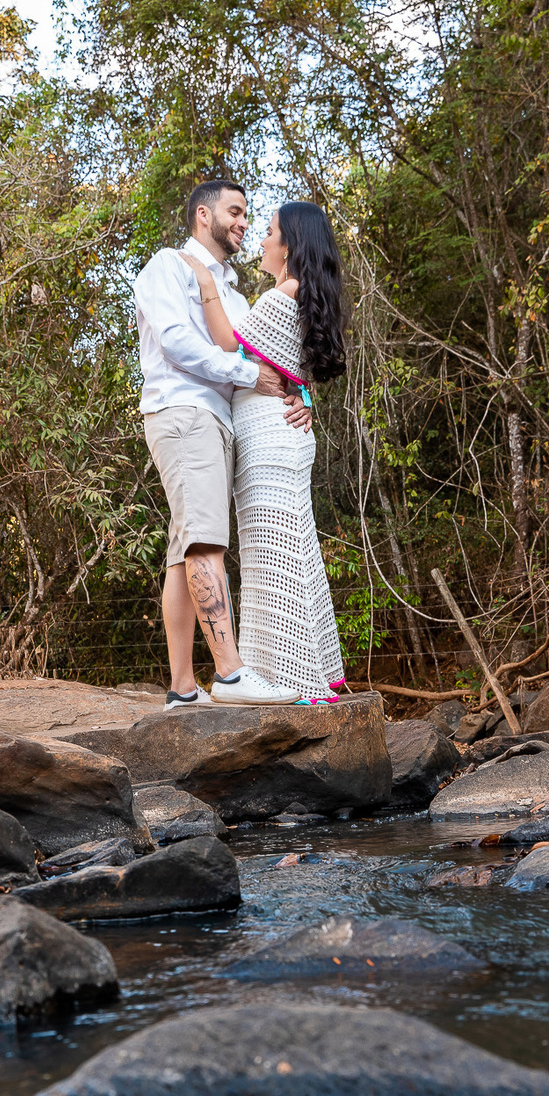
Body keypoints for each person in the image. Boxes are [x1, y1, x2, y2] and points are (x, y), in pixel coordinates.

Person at [133, 179, 311, 708]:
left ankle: (183, 689)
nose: (242, 223)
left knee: (185, 548)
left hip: (219, 421)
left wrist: (297, 396)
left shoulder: (232, 293)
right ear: (203, 215)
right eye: (234, 211)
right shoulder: (170, 265)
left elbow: (264, 362)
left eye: (247, 215)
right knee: (206, 541)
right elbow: (176, 340)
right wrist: (243, 372)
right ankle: (231, 676)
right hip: (185, 411)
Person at [179, 201, 348, 704]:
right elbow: (295, 370)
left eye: (270, 232)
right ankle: (298, 671)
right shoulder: (294, 296)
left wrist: (207, 284)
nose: (262, 239)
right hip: (282, 435)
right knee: (288, 549)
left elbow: (229, 344)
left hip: (271, 441)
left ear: (290, 245)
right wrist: (307, 400)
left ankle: (292, 680)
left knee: (274, 555)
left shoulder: (282, 295)